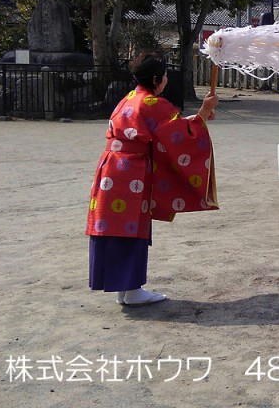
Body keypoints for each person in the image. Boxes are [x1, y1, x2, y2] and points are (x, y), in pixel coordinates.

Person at [87, 52, 219, 306]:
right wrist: (203, 113)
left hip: (111, 167)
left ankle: (123, 290)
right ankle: (133, 290)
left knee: (114, 225)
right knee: (132, 226)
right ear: (158, 79)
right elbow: (181, 134)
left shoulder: (129, 98)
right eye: (165, 75)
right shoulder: (152, 103)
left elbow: (167, 130)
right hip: (132, 170)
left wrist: (201, 114)